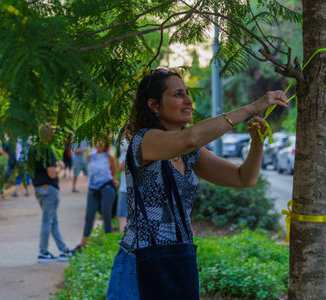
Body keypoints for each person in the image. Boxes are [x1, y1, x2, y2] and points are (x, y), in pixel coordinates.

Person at [106, 68, 288, 299]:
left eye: (187, 93)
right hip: (139, 262)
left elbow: (244, 178)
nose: (188, 100)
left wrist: (257, 144)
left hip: (180, 262)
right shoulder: (144, 141)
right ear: (154, 105)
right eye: (178, 94)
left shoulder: (191, 154)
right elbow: (189, 138)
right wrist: (252, 108)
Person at [30, 124, 74, 263]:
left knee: (54, 221)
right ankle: (43, 252)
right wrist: (60, 166)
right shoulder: (47, 150)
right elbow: (52, 173)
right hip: (49, 189)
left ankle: (63, 250)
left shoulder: (33, 149)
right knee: (47, 221)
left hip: (39, 188)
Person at [76, 137, 119, 250]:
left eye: (102, 141)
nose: (99, 143)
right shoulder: (90, 156)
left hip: (106, 188)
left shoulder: (109, 156)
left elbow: (114, 171)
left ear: (106, 143)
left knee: (107, 216)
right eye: (97, 141)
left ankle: (108, 244)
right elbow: (90, 172)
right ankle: (82, 244)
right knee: (89, 217)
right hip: (93, 190)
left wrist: (114, 180)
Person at [117, 138, 129, 232]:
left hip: (128, 189)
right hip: (123, 188)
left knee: (123, 217)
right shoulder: (123, 155)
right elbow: (121, 167)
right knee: (121, 216)